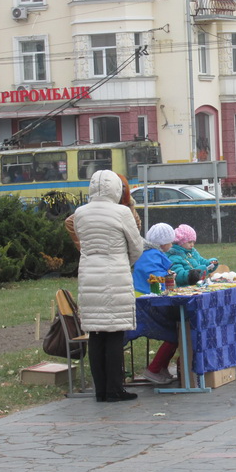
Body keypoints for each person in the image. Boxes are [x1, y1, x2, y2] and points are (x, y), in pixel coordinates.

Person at [72, 169, 143, 402]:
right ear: (116, 189)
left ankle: (100, 390)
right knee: (114, 333)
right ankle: (115, 389)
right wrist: (123, 261)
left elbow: (81, 240)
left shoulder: (80, 213)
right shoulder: (122, 212)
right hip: (115, 277)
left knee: (95, 333)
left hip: (88, 277)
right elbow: (136, 247)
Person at [132, 222, 180, 385]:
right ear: (163, 243)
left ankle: (161, 367)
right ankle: (154, 369)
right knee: (176, 331)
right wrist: (170, 278)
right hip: (146, 306)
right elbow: (157, 279)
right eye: (170, 241)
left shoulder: (149, 254)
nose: (172, 244)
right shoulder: (151, 256)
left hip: (147, 302)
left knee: (177, 329)